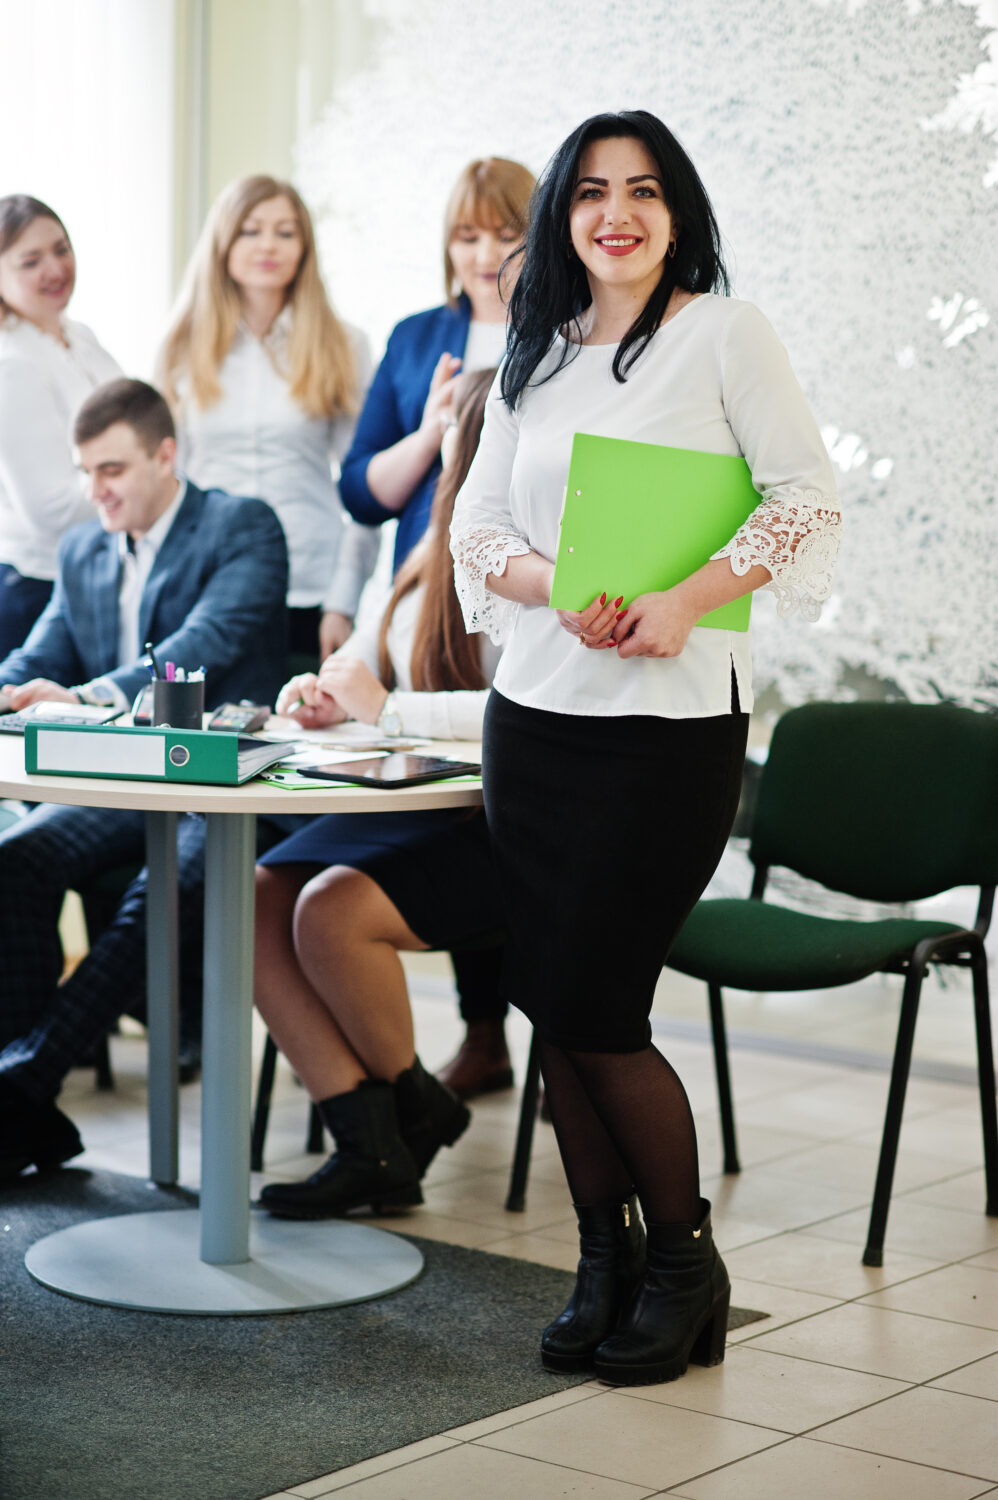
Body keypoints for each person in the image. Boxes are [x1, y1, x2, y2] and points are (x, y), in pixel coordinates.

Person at [450, 110, 842, 1387]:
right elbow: (476, 533)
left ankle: (683, 1265)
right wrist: (549, 587)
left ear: (676, 212)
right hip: (538, 721)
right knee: (555, 1011)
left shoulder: (723, 333)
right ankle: (601, 1258)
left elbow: (804, 497)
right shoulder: (534, 350)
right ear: (563, 216)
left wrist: (683, 597)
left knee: (600, 1012)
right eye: (591, 193)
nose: (616, 213)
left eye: (644, 191)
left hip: (666, 731)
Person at [0, 378, 288, 1180]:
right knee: (16, 861)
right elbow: (39, 655)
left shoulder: (242, 526)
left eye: (113, 470)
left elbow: (204, 643)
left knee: (164, 885)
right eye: (86, 471)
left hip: (223, 789)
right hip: (124, 785)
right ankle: (23, 1103)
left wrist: (89, 695)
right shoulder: (84, 548)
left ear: (167, 454)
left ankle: (23, 1081)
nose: (96, 491)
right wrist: (8, 688)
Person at [254, 369, 503, 1219]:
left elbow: (529, 712)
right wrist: (323, 696)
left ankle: (396, 1124)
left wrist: (390, 707)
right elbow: (358, 668)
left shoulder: (538, 569)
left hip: (495, 827)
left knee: (328, 911)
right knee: (248, 897)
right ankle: (383, 1135)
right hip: (408, 810)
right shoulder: (424, 557)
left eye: (454, 447)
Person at [339, 157, 535, 1097]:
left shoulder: (568, 339)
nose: (486, 252)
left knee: (496, 796)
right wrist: (431, 431)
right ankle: (481, 1036)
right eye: (468, 235)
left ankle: (550, 1043)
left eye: (506, 233)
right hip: (427, 588)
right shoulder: (420, 338)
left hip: (517, 588)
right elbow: (361, 489)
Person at [158, 174, 377, 667]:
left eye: (285, 231)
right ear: (223, 242)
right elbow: (169, 485)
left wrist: (343, 601)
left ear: (304, 247)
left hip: (310, 589)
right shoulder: (180, 348)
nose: (268, 246)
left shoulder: (345, 344)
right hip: (205, 591)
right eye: (251, 230)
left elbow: (362, 489)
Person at [0, 195, 121, 656]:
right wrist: (148, 495)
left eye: (61, 249)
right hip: (36, 587)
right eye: (31, 261)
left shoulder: (80, 336)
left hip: (87, 574)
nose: (55, 269)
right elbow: (50, 509)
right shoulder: (13, 363)